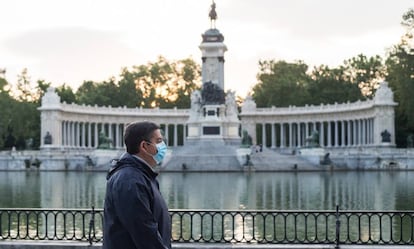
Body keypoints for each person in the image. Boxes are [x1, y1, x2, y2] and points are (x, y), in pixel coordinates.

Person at [103, 121, 171, 249]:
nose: (163, 145)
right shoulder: (130, 179)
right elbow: (143, 230)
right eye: (158, 141)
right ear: (144, 146)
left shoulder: (141, 175)